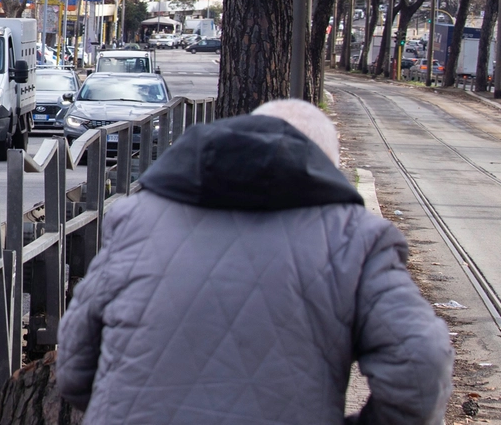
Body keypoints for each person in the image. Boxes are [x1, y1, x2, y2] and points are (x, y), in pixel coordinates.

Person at [56, 98, 452, 425]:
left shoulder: (137, 217)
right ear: (324, 168)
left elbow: (73, 367)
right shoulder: (357, 240)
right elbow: (421, 362)